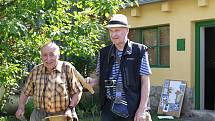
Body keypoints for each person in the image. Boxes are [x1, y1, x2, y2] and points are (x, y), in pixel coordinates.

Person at [86, 14, 152, 121]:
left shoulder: (139, 51)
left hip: (131, 107)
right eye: (111, 31)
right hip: (109, 107)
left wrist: (141, 110)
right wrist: (91, 81)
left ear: (127, 30)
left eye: (117, 30)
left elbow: (145, 82)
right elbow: (99, 78)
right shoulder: (103, 53)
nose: (113, 34)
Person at [15, 42, 83, 121]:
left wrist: (70, 108)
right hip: (39, 116)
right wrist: (21, 108)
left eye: (51, 55)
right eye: (45, 55)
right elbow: (25, 92)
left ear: (58, 55)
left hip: (62, 115)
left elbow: (77, 91)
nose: (48, 59)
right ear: (41, 56)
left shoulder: (67, 68)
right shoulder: (36, 70)